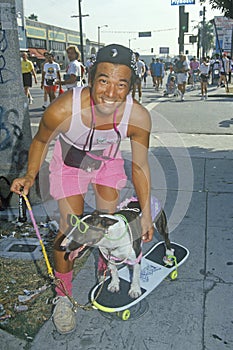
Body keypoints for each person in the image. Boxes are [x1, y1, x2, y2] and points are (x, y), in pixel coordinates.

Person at [11, 44, 154, 335]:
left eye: (121, 84)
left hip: (107, 164)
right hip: (69, 166)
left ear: (131, 86)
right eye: (104, 81)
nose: (111, 93)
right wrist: (29, 174)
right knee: (69, 233)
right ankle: (63, 296)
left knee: (107, 224)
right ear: (91, 78)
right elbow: (40, 141)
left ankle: (106, 265)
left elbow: (140, 166)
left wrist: (147, 214)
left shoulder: (137, 117)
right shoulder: (64, 108)